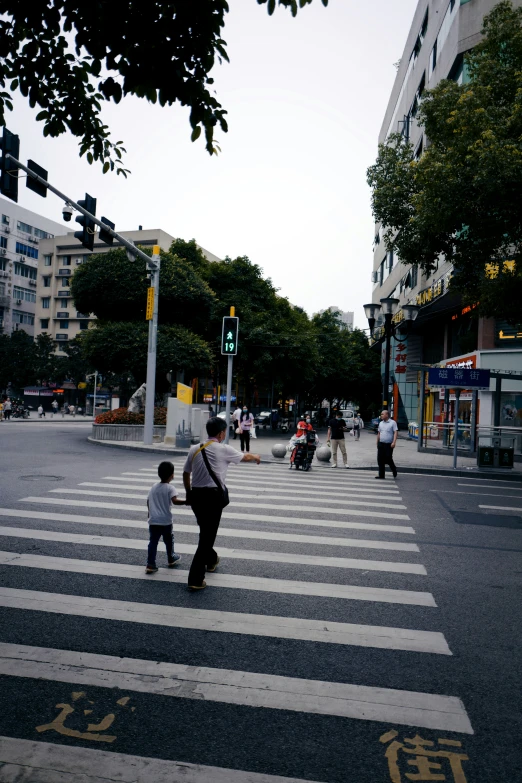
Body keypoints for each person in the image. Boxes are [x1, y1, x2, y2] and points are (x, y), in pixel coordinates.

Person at [183, 416, 261, 590]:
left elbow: (186, 473)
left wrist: (189, 494)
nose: (225, 433)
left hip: (197, 497)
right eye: (225, 431)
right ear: (220, 433)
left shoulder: (194, 448)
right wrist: (255, 456)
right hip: (212, 498)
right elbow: (245, 457)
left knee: (205, 532)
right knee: (206, 539)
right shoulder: (223, 449)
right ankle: (195, 579)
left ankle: (211, 560)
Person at [145, 461, 187, 574]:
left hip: (153, 521)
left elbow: (148, 501)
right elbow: (175, 501)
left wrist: (150, 513)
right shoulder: (170, 488)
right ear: (172, 475)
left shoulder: (153, 487)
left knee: (153, 542)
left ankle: (150, 564)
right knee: (168, 540)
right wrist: (186, 502)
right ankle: (171, 557)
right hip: (166, 521)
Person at [376, 409, 398, 479]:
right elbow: (379, 433)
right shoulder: (381, 423)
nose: (381, 415)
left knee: (388, 458)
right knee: (380, 459)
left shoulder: (393, 423)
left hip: (389, 444)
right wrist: (377, 442)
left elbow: (395, 432)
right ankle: (381, 475)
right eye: (381, 414)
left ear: (387, 415)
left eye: (382, 414)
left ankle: (394, 469)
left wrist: (394, 442)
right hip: (381, 443)